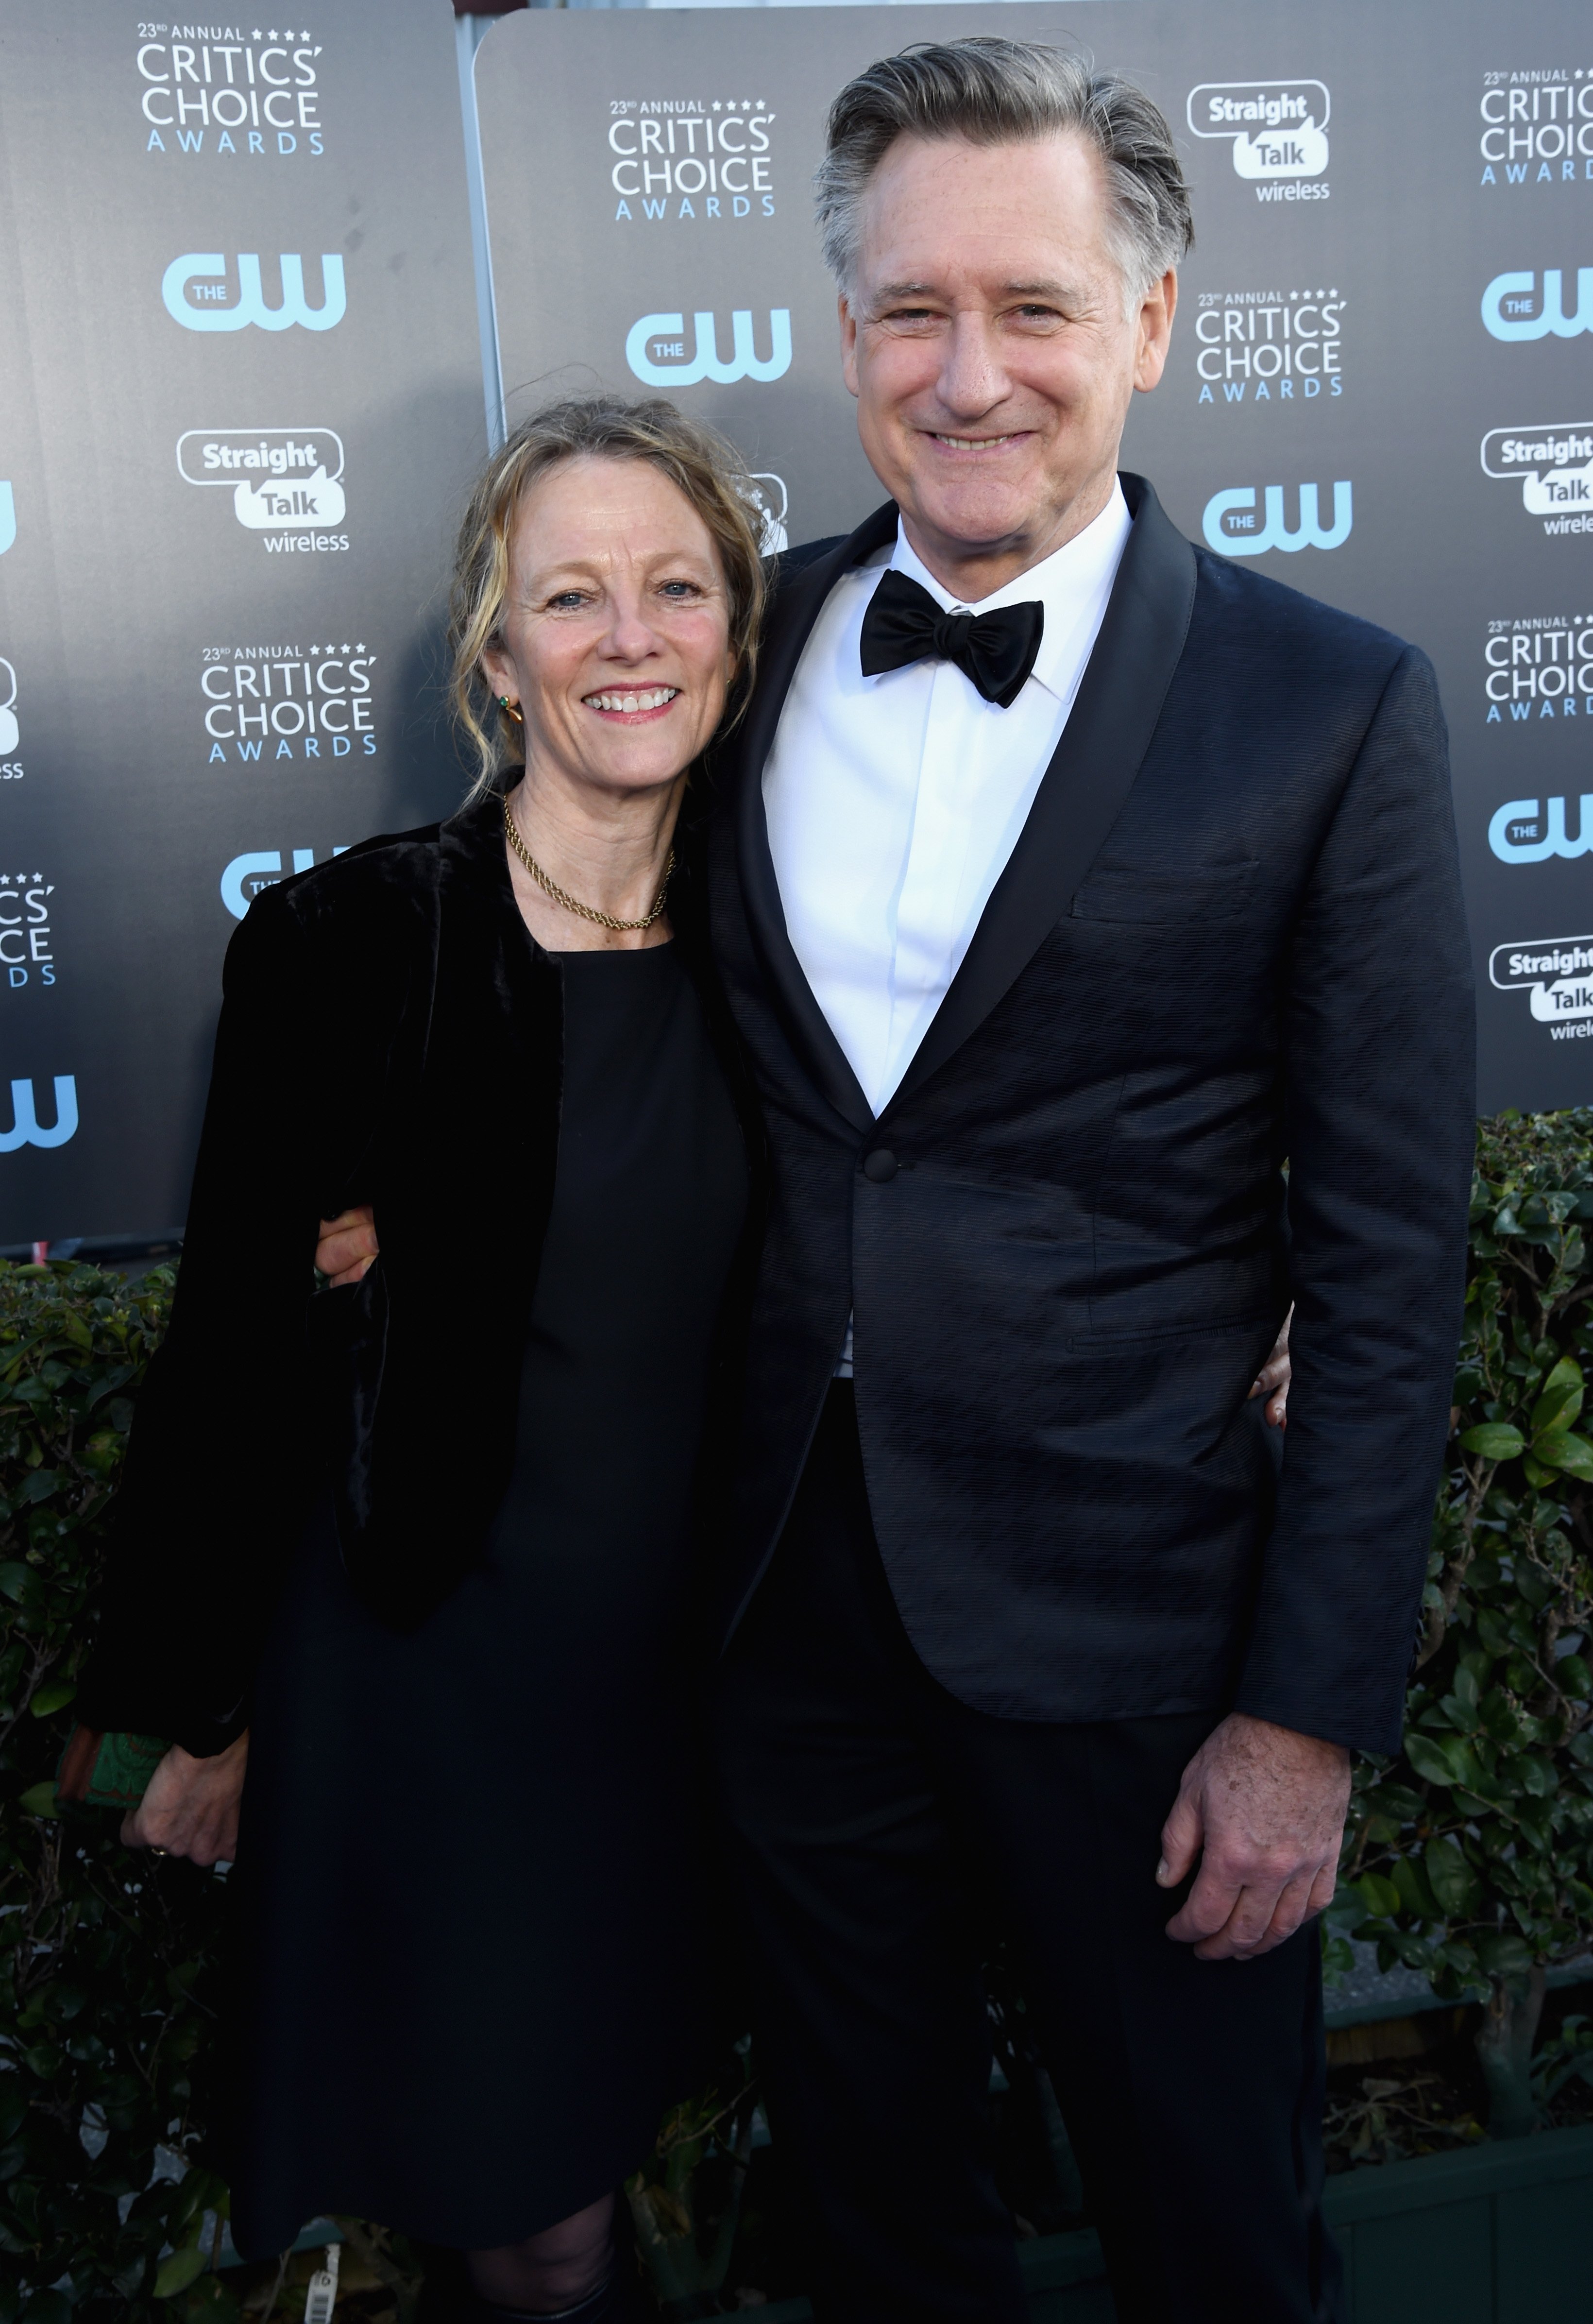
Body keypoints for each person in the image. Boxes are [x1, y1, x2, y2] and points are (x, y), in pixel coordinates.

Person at [318, 37, 1472, 2324]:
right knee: (871, 2221)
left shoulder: (1331, 706)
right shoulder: (733, 650)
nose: (968, 376)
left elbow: (1381, 1248)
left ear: (1145, 324)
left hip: (1139, 1650)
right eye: (909, 312)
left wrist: (1304, 1718)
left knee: (1215, 2237)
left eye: (1031, 308)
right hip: (771, 1619)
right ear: (839, 334)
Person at [69, 394, 767, 2324]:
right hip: (433, 1673)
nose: (628, 633)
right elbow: (229, 1351)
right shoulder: (355, 939)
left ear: (735, 629)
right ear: (497, 653)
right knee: (523, 2208)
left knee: (613, 2147)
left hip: (685, 1676)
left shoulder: (785, 949)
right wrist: (183, 1709)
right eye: (570, 595)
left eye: (674, 584)